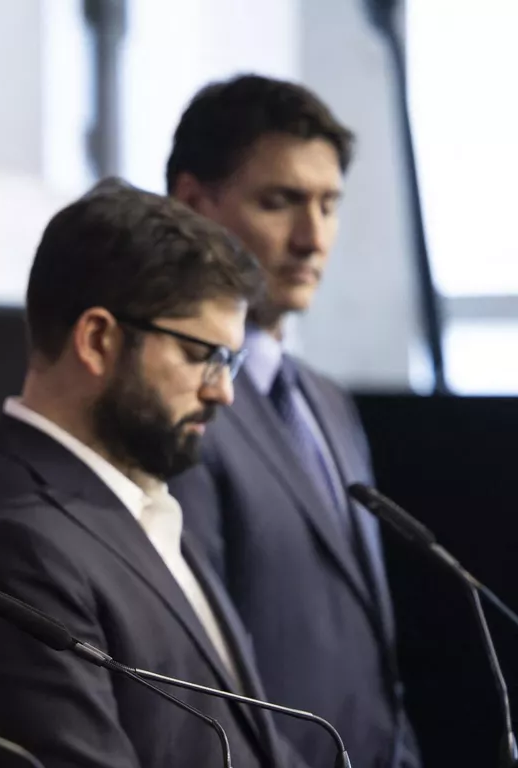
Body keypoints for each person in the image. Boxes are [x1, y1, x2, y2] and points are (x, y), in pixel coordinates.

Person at [0, 180, 301, 768]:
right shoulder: (8, 544)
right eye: (202, 356)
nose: (223, 391)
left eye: (231, 360)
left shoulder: (143, 504)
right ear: (97, 340)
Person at [164, 75, 417, 768]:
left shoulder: (329, 402)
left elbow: (367, 658)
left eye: (329, 205)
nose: (312, 237)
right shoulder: (172, 408)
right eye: (280, 202)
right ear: (193, 203)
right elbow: (201, 673)